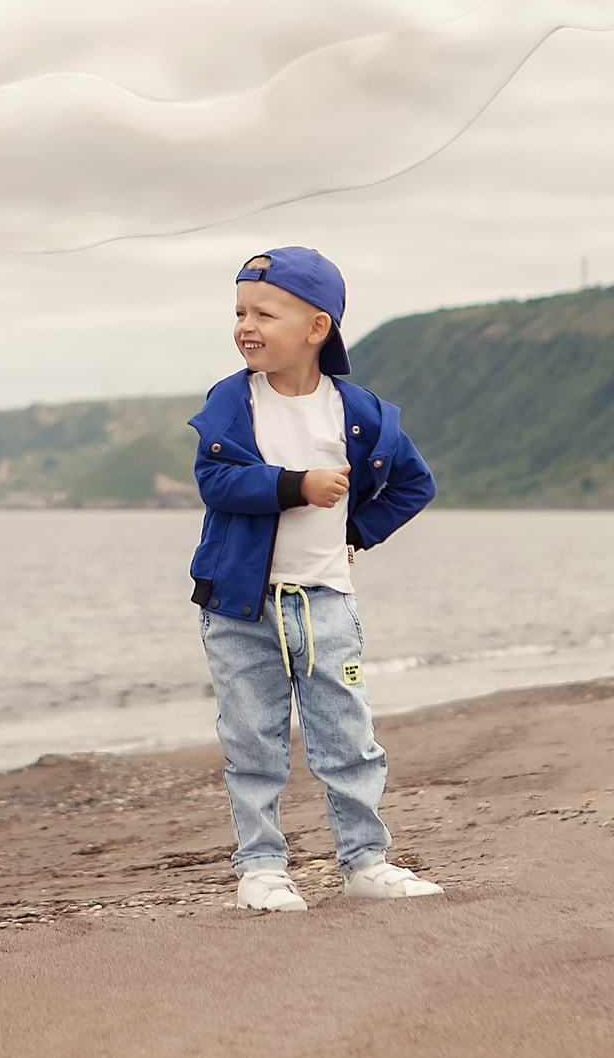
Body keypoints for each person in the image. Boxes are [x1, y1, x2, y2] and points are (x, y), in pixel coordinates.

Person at [188, 246, 446, 911]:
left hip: (326, 602)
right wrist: (295, 485)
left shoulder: (358, 412)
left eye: (264, 312)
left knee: (347, 734)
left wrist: (357, 530)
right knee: (252, 741)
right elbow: (213, 481)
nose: (246, 324)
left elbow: (415, 483)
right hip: (239, 607)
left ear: (316, 327)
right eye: (239, 311)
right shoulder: (230, 401)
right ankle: (262, 868)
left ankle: (364, 860)